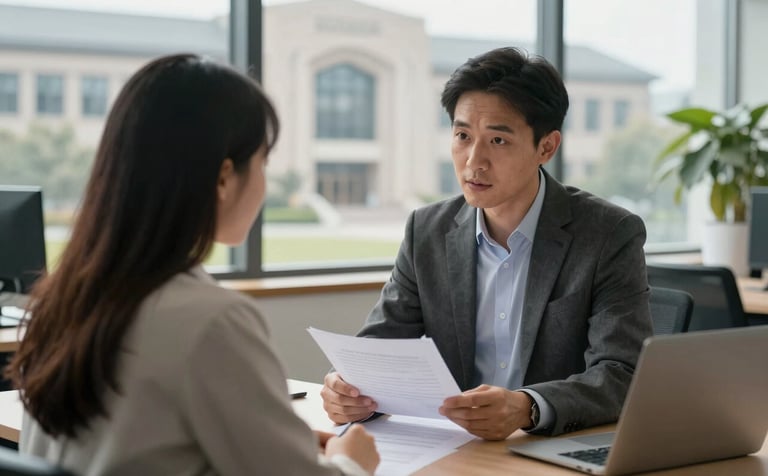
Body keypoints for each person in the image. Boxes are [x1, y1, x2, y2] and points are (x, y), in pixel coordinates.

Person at [5, 54, 379, 476]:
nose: (263, 183)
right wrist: (352, 461)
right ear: (223, 178)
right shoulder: (211, 320)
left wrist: (277, 439)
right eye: (262, 162)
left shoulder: (64, 301)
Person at [320, 47, 653, 441]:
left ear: (546, 147)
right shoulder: (426, 231)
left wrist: (528, 407)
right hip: (454, 448)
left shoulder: (608, 234)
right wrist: (349, 390)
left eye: (497, 140)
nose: (473, 161)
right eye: (463, 136)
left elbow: (622, 372)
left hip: (549, 447)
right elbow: (380, 348)